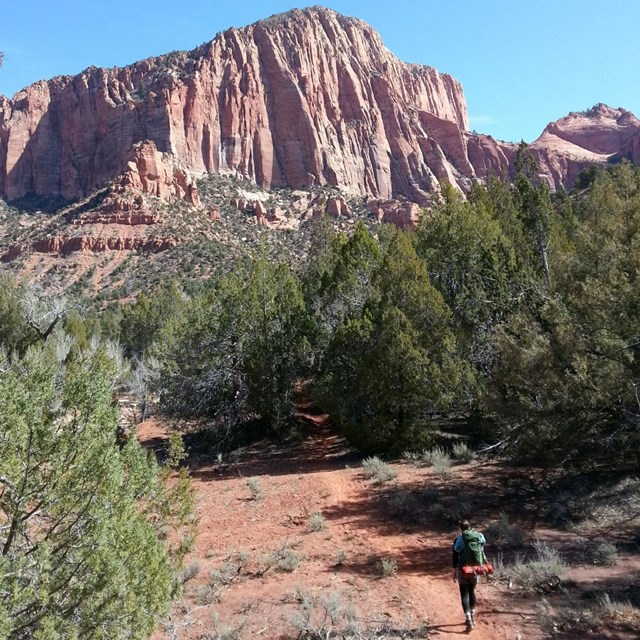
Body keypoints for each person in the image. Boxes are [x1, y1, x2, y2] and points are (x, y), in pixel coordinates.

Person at [452, 519, 486, 632]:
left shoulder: (459, 539)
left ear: (460, 529)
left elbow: (456, 552)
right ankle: (473, 616)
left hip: (464, 569)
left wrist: (454, 570)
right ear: (470, 527)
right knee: (472, 591)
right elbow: (482, 546)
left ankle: (468, 620)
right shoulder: (479, 535)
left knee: (464, 593)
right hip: (476, 569)